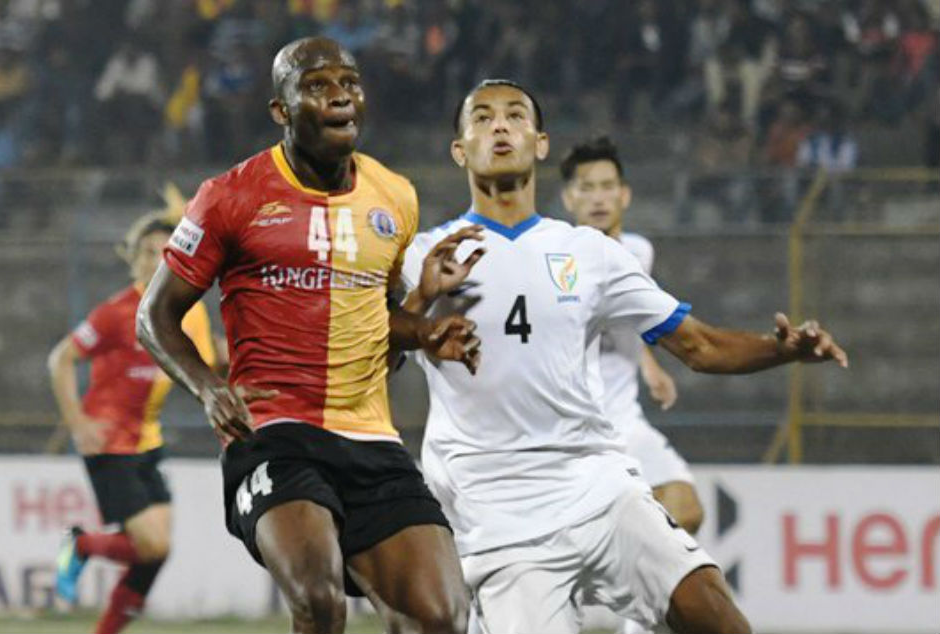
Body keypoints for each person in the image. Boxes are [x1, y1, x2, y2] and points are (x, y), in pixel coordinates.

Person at [400, 79, 848, 634]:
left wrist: (781, 350)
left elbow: (699, 346)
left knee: (717, 615)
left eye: (515, 115)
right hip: (499, 515)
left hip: (598, 486)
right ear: (459, 150)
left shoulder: (590, 253)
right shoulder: (424, 254)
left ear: (540, 143)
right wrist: (419, 305)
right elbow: (371, 348)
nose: (499, 126)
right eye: (482, 118)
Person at [135, 37, 477, 634]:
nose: (340, 95)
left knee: (441, 616)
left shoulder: (395, 197)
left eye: (349, 82)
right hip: (273, 434)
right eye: (317, 85)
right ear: (282, 109)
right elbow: (154, 316)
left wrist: (422, 330)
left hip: (370, 438)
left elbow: (373, 319)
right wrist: (209, 388)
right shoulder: (230, 196)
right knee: (320, 601)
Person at [49, 208, 218, 634]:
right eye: (145, 251)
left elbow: (203, 363)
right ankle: (81, 544)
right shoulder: (116, 312)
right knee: (152, 545)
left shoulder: (187, 311)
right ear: (133, 258)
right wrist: (77, 423)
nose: (153, 259)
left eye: (163, 251)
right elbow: (61, 359)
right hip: (109, 441)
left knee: (154, 555)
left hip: (147, 439)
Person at [561, 135, 704, 536]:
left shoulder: (639, 253)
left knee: (686, 508)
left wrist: (649, 364)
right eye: (587, 188)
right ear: (569, 199)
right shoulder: (557, 260)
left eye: (607, 186)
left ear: (624, 195)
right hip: (573, 427)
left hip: (625, 419)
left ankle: (613, 560)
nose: (598, 198)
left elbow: (629, 311)